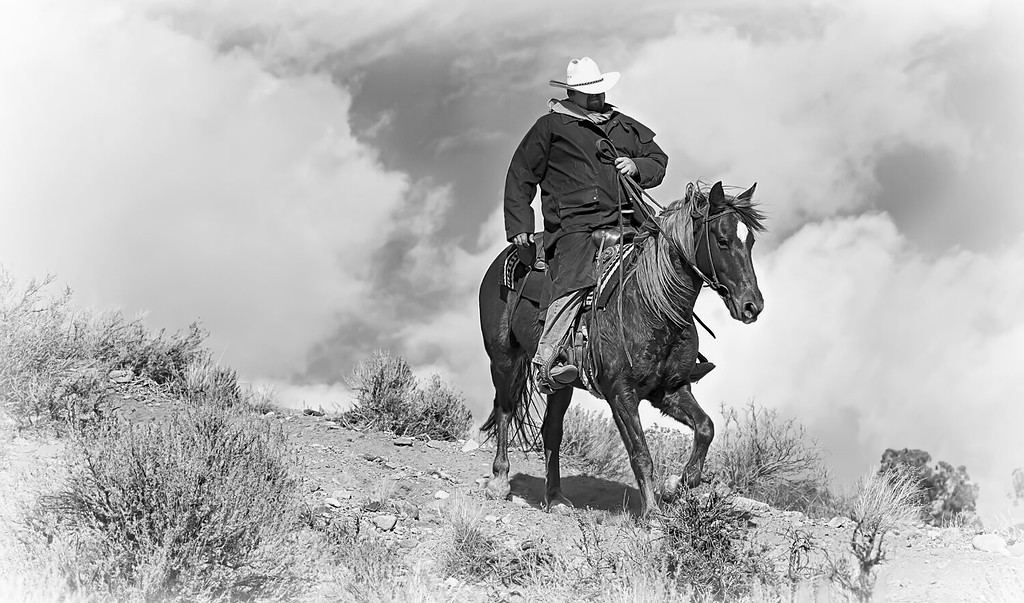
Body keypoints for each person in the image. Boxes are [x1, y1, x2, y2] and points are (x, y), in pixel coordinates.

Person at [504, 56, 668, 392]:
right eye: (588, 92)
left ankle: (678, 353)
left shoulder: (624, 126)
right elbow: (521, 173)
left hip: (629, 217)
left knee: (667, 262)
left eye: (599, 91)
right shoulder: (550, 128)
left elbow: (658, 161)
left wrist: (636, 166)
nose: (597, 98)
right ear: (572, 94)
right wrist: (521, 222)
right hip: (574, 225)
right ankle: (547, 361)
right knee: (574, 279)